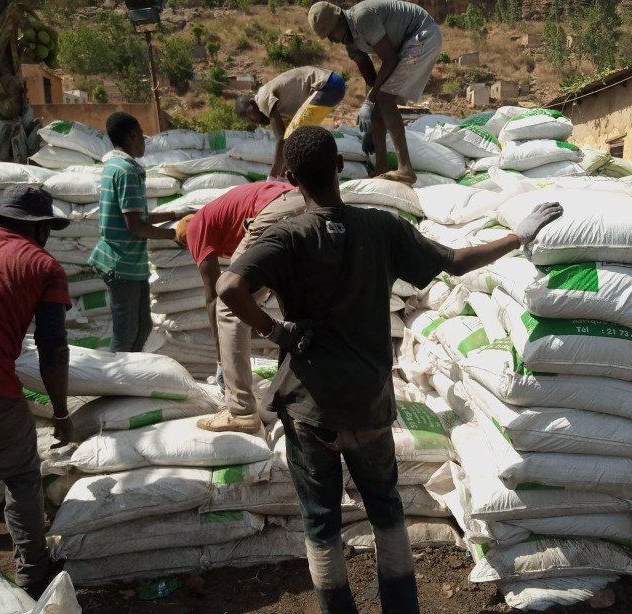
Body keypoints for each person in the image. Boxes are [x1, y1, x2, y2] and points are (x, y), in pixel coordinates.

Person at [216, 126, 562, 614]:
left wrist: (277, 332)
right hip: (369, 405)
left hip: (309, 406)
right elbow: (458, 262)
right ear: (340, 167)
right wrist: (516, 235)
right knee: (386, 510)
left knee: (320, 521)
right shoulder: (381, 227)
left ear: (292, 179)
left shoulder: (286, 236)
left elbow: (229, 288)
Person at [0, 185, 75, 599]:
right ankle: (33, 574)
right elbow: (53, 348)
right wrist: (60, 412)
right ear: (40, 229)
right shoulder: (43, 265)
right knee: (23, 477)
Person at [175, 181, 306, 433]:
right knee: (298, 306)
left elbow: (214, 295)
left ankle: (240, 410)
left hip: (276, 209)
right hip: (306, 202)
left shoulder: (195, 227)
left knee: (229, 302)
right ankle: (304, 391)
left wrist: (221, 359)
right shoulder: (227, 217)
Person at [88, 112, 194, 353]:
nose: (144, 141)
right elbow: (134, 226)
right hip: (121, 263)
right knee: (126, 333)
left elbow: (135, 215)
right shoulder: (127, 171)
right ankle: (117, 383)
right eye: (142, 136)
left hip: (127, 263)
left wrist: (174, 215)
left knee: (143, 326)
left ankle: (128, 377)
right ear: (132, 135)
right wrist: (174, 235)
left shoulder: (113, 166)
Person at [308, 0, 442, 185]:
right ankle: (381, 167)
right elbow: (372, 81)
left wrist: (371, 100)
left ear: (339, 20)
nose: (332, 40)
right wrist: (372, 113)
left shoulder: (363, 17)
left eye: (331, 33)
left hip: (422, 33)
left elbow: (389, 59)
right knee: (381, 98)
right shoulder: (350, 44)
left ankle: (405, 169)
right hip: (406, 42)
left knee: (384, 98)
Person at [236, 66, 347, 181]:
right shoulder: (282, 112)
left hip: (327, 84)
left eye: (249, 116)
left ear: (252, 103)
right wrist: (282, 174)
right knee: (293, 139)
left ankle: (279, 178)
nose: (253, 122)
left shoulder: (262, 98)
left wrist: (272, 176)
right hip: (333, 87)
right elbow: (286, 142)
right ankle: (288, 178)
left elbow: (281, 138)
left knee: (293, 137)